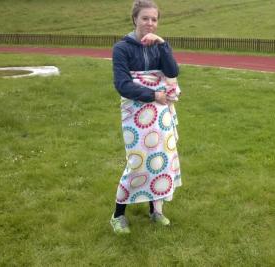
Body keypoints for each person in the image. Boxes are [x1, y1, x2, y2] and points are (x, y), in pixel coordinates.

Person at [110, 0, 182, 234]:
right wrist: (154, 94)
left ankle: (156, 211)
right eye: (145, 18)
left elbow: (172, 71)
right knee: (138, 163)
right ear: (134, 19)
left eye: (154, 19)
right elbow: (123, 85)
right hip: (137, 113)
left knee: (161, 159)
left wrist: (162, 44)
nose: (150, 23)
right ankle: (118, 215)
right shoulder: (122, 48)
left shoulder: (157, 45)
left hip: (160, 114)